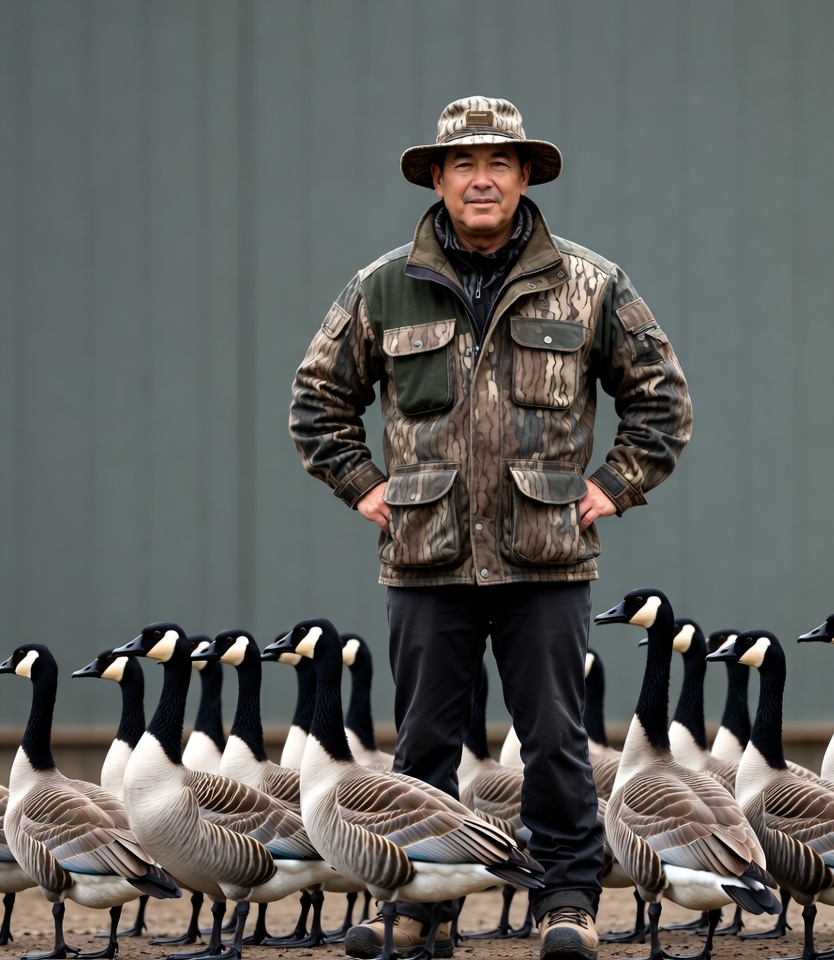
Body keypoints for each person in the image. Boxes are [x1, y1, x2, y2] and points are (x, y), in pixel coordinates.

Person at [289, 95, 693, 960]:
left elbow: (662, 399)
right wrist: (363, 484)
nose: (482, 179)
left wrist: (613, 487)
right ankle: (415, 907)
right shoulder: (381, 288)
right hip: (426, 558)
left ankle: (567, 903)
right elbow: (317, 401)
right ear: (436, 178)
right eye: (464, 164)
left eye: (499, 164)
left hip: (545, 558)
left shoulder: (589, 283)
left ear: (523, 177)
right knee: (425, 743)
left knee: (553, 739)